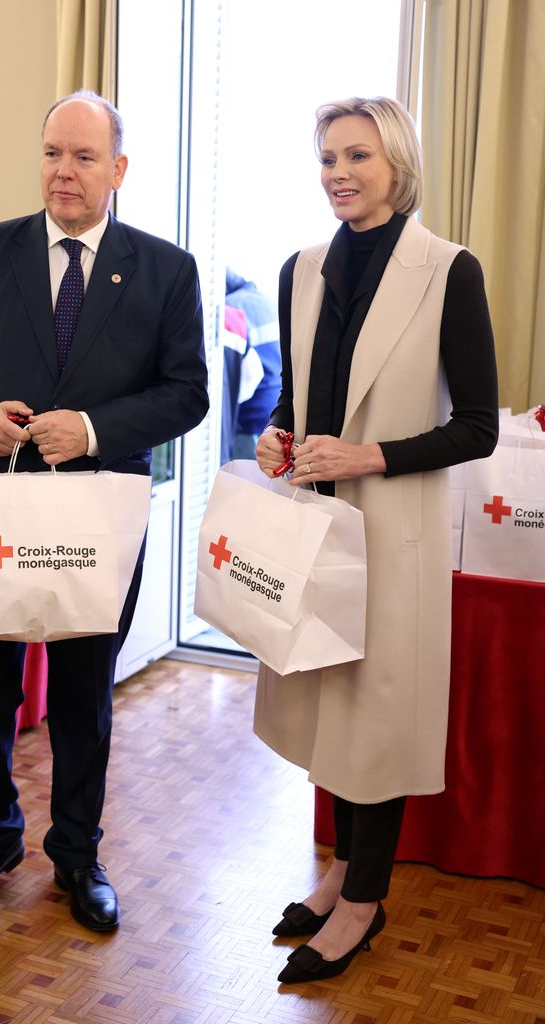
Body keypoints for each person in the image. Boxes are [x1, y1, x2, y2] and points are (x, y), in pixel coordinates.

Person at [0, 90, 208, 931]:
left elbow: (187, 393)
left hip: (97, 512)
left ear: (118, 170)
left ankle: (76, 854)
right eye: (52, 152)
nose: (63, 171)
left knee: (84, 692)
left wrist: (87, 429)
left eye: (83, 157)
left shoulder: (165, 270)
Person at [254, 96, 498, 983]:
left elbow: (477, 427)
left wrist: (371, 454)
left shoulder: (449, 270)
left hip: (393, 529)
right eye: (326, 158)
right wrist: (277, 435)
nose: (338, 174)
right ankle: (338, 872)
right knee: (328, 705)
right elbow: (298, 397)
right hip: (315, 524)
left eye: (356, 155)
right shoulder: (302, 268)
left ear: (397, 162)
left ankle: (363, 896)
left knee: (376, 711)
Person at [224, 268, 281, 460]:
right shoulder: (268, 303)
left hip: (249, 419)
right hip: (275, 414)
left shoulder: (230, 308)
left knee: (242, 483)